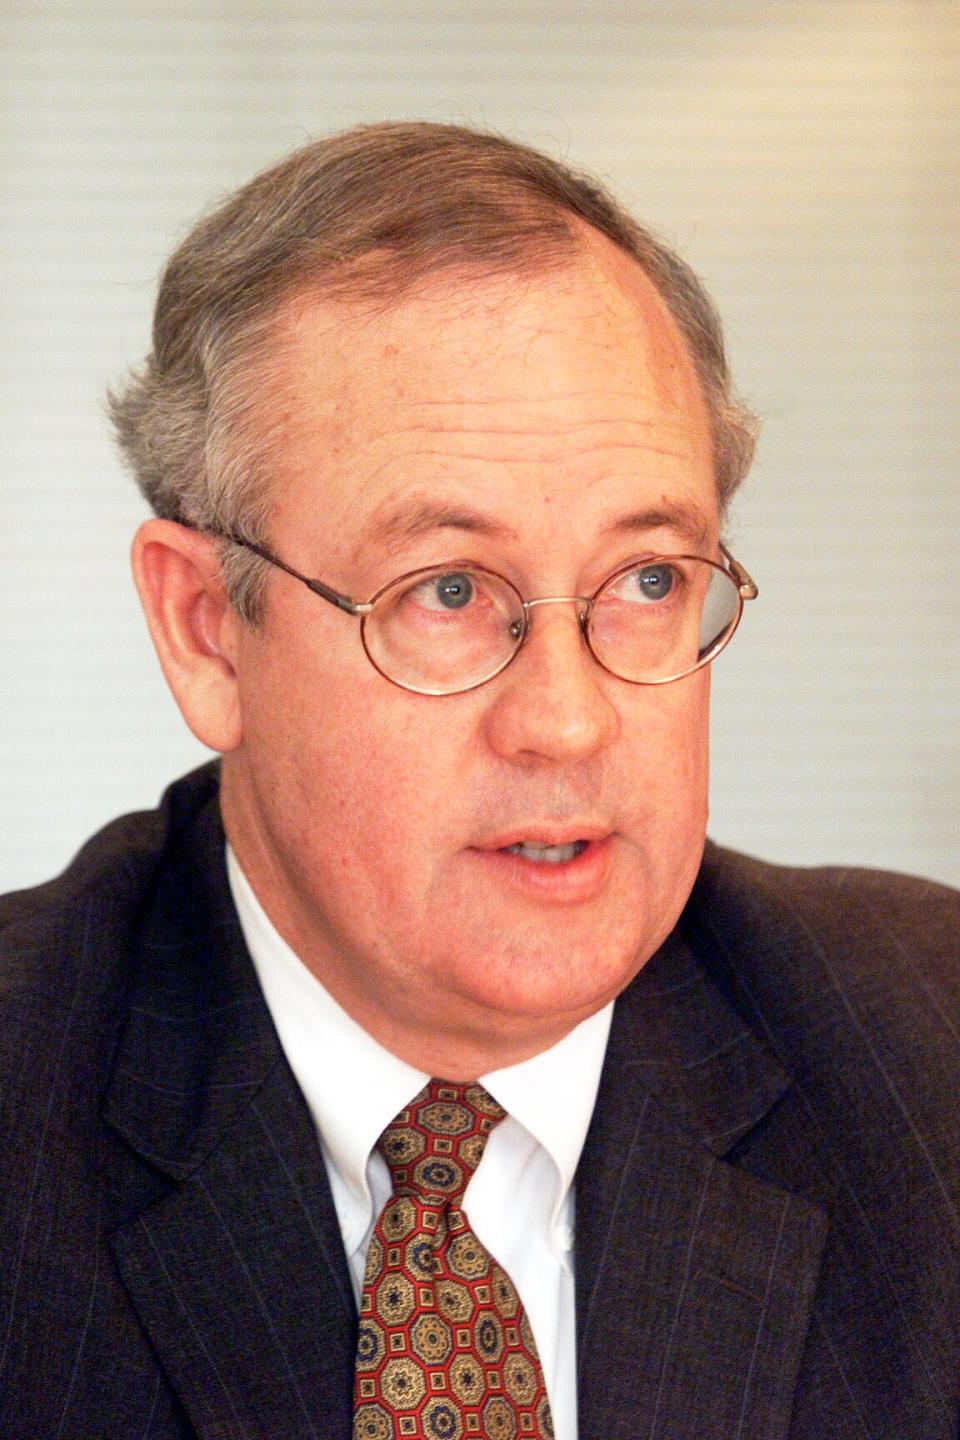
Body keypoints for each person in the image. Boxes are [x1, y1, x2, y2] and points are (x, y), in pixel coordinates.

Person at [0, 121, 957, 1440]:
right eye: (447, 592)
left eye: (647, 583)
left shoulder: (931, 1064)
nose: (566, 723)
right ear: (207, 629)